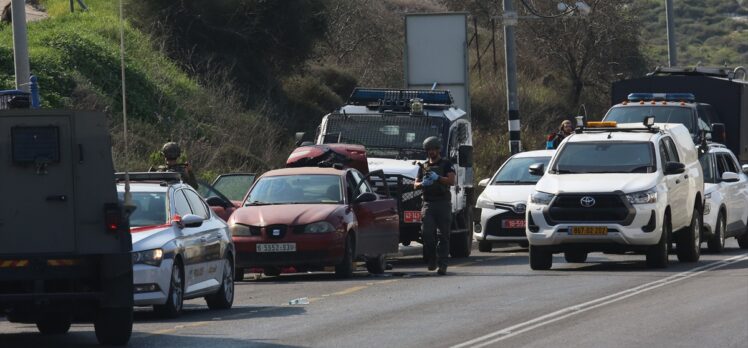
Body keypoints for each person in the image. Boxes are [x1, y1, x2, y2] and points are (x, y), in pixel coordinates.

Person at [414, 136, 456, 276]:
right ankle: (432, 259)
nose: (431, 152)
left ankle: (443, 265)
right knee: (427, 233)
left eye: (433, 149)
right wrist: (422, 184)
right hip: (428, 203)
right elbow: (415, 184)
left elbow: (451, 181)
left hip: (443, 203)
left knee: (444, 236)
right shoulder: (424, 166)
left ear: (438, 149)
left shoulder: (446, 164)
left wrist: (438, 178)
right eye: (428, 150)